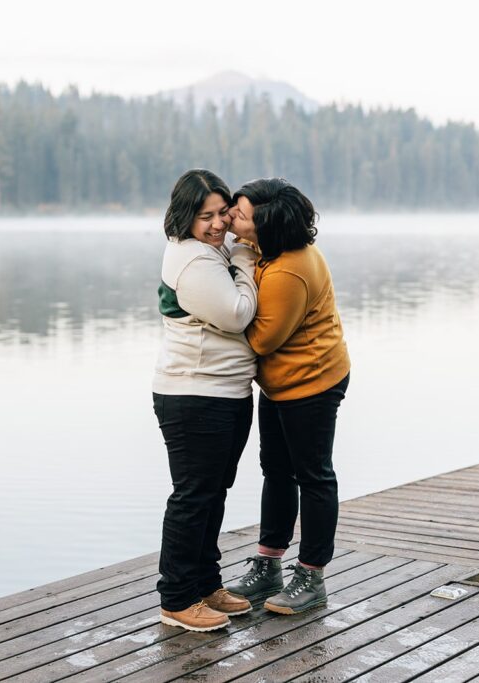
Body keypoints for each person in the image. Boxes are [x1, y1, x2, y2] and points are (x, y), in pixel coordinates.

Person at [224, 178, 351, 615]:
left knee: (313, 475)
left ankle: (311, 576)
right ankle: (269, 564)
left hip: (311, 383)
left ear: (268, 226)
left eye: (238, 215)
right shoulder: (266, 251)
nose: (229, 218)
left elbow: (260, 339)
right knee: (276, 471)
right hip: (280, 384)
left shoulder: (289, 270)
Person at [152, 169, 260, 632]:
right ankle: (177, 598)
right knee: (194, 497)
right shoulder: (196, 260)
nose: (217, 224)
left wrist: (233, 261)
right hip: (195, 394)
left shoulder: (208, 252)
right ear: (185, 216)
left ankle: (205, 582)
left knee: (213, 494)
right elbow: (237, 315)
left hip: (224, 392)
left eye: (222, 214)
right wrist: (244, 259)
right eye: (205, 216)